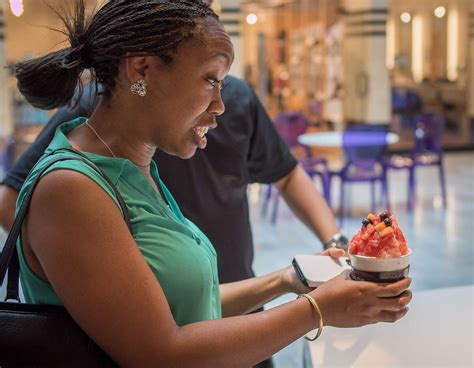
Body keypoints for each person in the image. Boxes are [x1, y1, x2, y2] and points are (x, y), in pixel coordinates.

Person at [5, 1, 412, 366]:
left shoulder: (137, 169)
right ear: (141, 69)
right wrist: (315, 310)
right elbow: (161, 353)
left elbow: (185, 307)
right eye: (210, 79)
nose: (220, 105)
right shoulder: (71, 188)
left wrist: (286, 280)